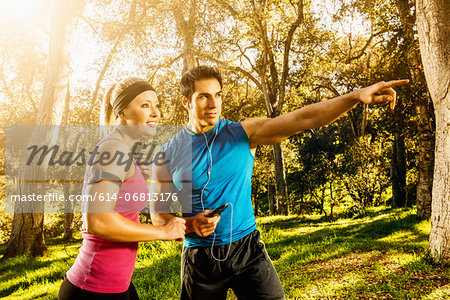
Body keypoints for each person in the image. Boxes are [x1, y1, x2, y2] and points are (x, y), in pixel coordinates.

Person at [150, 66, 408, 300]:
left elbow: (303, 119)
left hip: (247, 250)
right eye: (203, 96)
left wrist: (354, 96)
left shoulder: (242, 133)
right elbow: (157, 215)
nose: (213, 103)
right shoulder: (167, 152)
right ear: (186, 101)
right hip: (200, 259)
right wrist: (190, 224)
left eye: (218, 95)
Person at [58, 77, 186, 300]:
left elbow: (116, 205)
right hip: (92, 290)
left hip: (118, 286)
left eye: (156, 105)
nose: (155, 113)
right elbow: (98, 222)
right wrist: (163, 232)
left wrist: (138, 175)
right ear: (122, 113)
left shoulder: (122, 152)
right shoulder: (113, 150)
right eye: (145, 105)